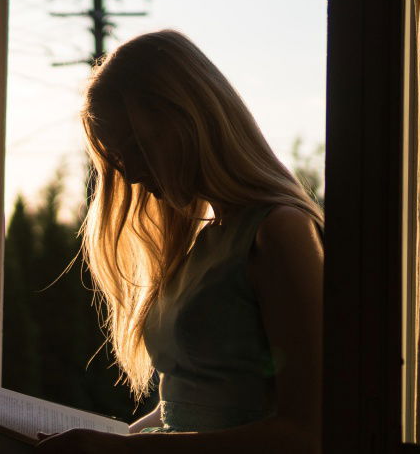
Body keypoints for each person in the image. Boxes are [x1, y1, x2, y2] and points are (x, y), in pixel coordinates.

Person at [34, 29, 325, 454]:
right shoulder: (206, 245)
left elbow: (307, 437)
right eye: (117, 158)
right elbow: (180, 410)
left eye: (135, 147)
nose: (130, 174)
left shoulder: (280, 231)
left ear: (187, 120)